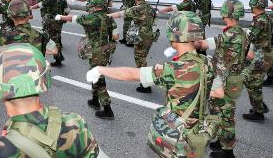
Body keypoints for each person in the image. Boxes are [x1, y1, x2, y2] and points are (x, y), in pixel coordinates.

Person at [86, 11, 224, 158]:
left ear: (174, 35)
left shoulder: (173, 69)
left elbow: (132, 74)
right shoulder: (209, 62)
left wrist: (100, 69)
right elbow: (218, 93)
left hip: (178, 139)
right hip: (198, 135)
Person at [194, 0, 247, 158]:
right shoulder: (242, 33)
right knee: (220, 111)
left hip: (223, 82)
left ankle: (227, 152)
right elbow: (249, 55)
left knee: (225, 115)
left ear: (226, 14)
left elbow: (202, 45)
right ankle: (221, 140)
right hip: (232, 79)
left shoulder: (228, 35)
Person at [56, 0, 118, 119]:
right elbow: (116, 36)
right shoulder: (109, 18)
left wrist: (60, 17)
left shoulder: (90, 18)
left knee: (99, 79)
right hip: (105, 51)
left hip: (95, 52)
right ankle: (95, 100)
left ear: (94, 5)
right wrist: (111, 46)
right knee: (94, 75)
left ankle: (107, 109)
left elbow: (73, 18)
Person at [108, 0, 157, 93]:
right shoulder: (151, 8)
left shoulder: (137, 9)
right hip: (150, 36)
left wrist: (107, 16)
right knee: (143, 59)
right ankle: (146, 82)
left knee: (140, 61)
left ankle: (146, 85)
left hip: (141, 37)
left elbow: (121, 14)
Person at [243, 0, 273, 122]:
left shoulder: (259, 20)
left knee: (253, 84)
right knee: (252, 82)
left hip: (258, 56)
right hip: (264, 53)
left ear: (255, 5)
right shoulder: (267, 17)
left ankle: (258, 112)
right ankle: (259, 105)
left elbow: (251, 38)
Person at [31, 0, 69, 66]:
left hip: (50, 23)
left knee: (50, 41)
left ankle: (58, 59)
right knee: (57, 36)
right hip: (59, 21)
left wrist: (30, 7)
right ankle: (58, 57)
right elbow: (67, 10)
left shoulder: (49, 0)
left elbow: (39, 5)